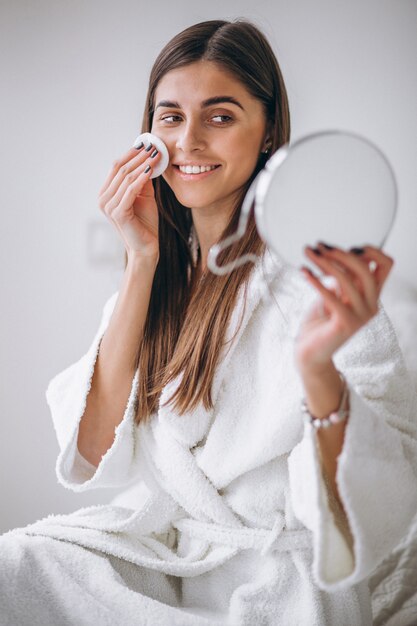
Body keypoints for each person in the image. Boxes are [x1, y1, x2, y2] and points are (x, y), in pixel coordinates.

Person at [1, 18, 417, 626]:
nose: (189, 140)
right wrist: (140, 262)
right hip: (177, 554)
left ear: (269, 129)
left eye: (220, 116)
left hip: (282, 572)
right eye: (170, 117)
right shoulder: (160, 276)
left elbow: (385, 494)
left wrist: (317, 366)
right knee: (19, 562)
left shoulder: (319, 278)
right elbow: (93, 448)